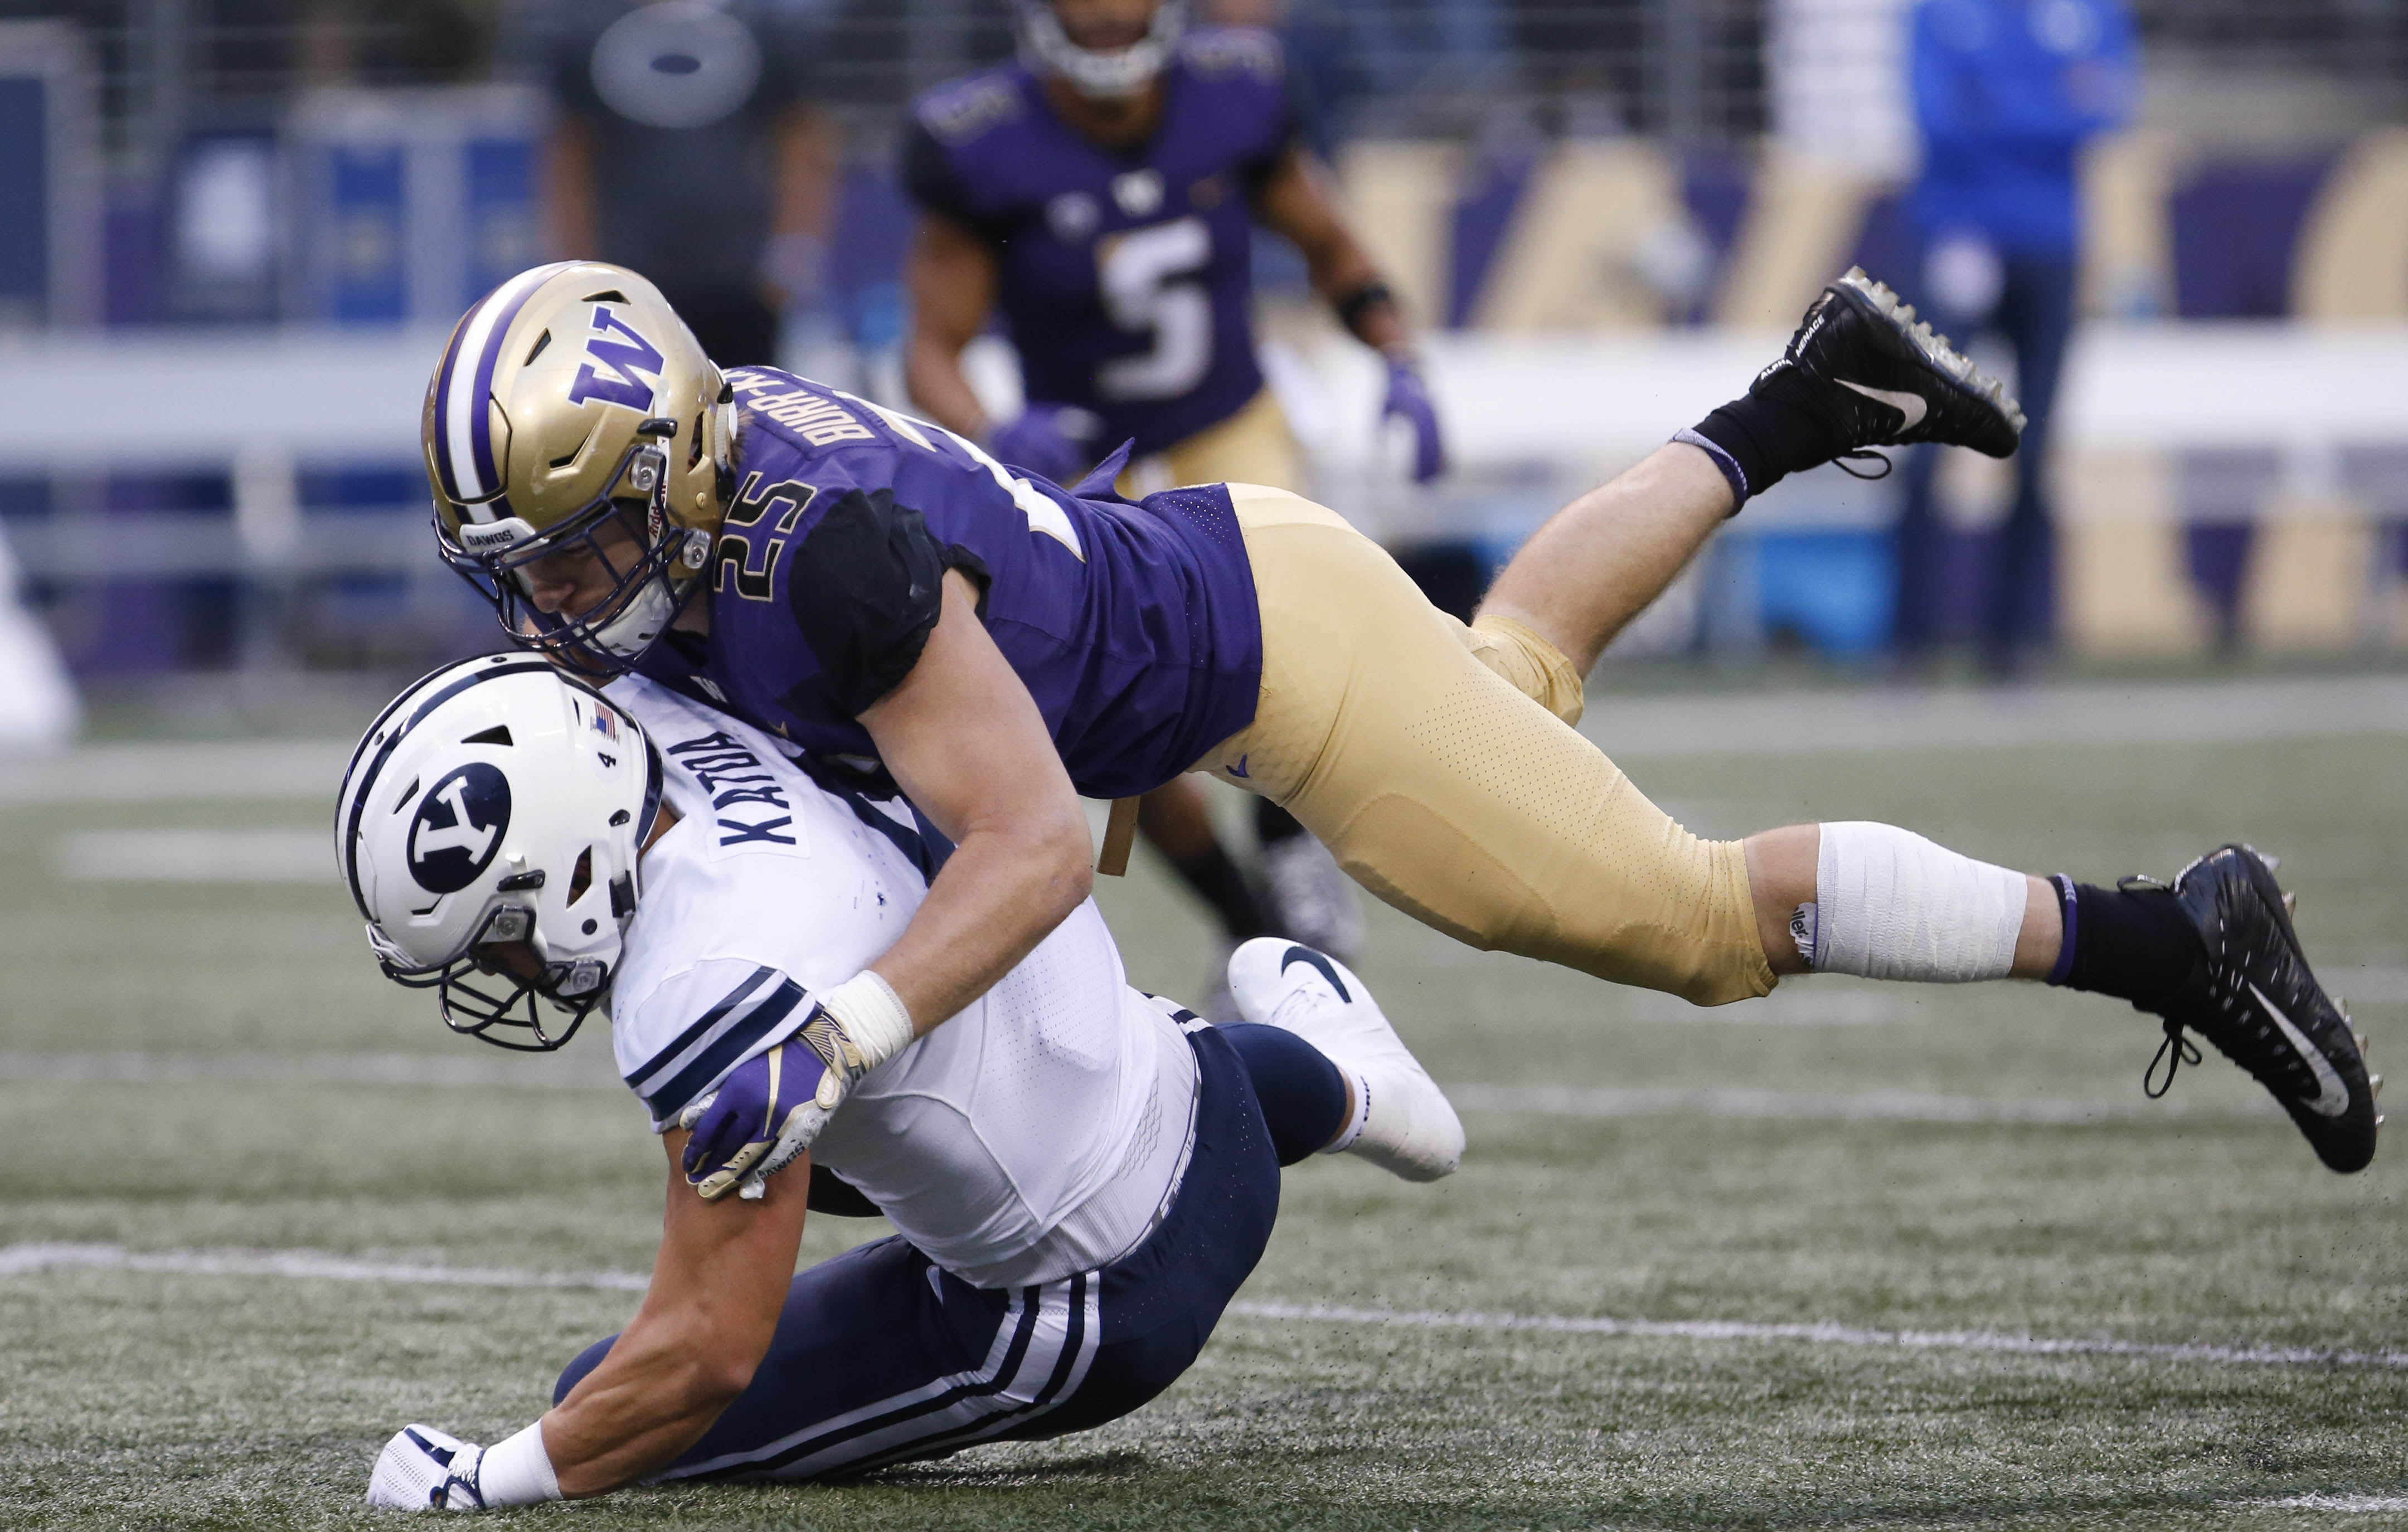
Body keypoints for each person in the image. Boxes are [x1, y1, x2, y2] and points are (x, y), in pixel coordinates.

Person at [420, 259, 2380, 1176]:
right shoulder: (717, 489)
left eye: (581, 552)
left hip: (1274, 661)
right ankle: (1811, 401)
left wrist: (834, 1030)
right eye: (526, 566)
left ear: (675, 469)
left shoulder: (806, 558)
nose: (559, 601)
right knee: (1512, 684)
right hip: (1238, 579)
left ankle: (2172, 931)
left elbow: (1019, 848)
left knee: (1697, 927)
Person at [340, 654, 1460, 1508]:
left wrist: (491, 1481)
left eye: (502, 939)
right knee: (979, 1086)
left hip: (1091, 1307)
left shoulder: (705, 974)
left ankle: (1338, 1089)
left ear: (570, 863)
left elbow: (705, 1352)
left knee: (603, 1401)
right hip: (1190, 1075)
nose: (507, 971)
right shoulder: (692, 692)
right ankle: (1347, 1084)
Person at [900, 0, 1446, 965]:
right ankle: (1252, 929)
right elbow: (932, 350)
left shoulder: (1238, 89)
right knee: (1116, 713)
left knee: (1294, 643)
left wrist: (1399, 355)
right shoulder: (979, 141)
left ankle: (1292, 856)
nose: (1110, 29)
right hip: (1085, 460)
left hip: (1222, 422)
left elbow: (1329, 244)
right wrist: (992, 433)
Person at [1891, 0, 2137, 673]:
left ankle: (2012, 645)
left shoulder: (2089, 11)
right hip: (1958, 234)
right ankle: (1909, 643)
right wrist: (2047, 105)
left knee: (2038, 448)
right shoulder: (1940, 11)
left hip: (2051, 245)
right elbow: (1937, 117)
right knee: (1923, 441)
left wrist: (1993, 102)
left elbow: (2107, 109)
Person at [508, 0, 838, 368]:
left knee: (743, 411)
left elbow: (800, 139)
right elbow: (570, 153)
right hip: (628, 277)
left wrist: (794, 249)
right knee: (636, 419)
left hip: (740, 275)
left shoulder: (764, 24)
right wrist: (574, 268)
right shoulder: (587, 27)